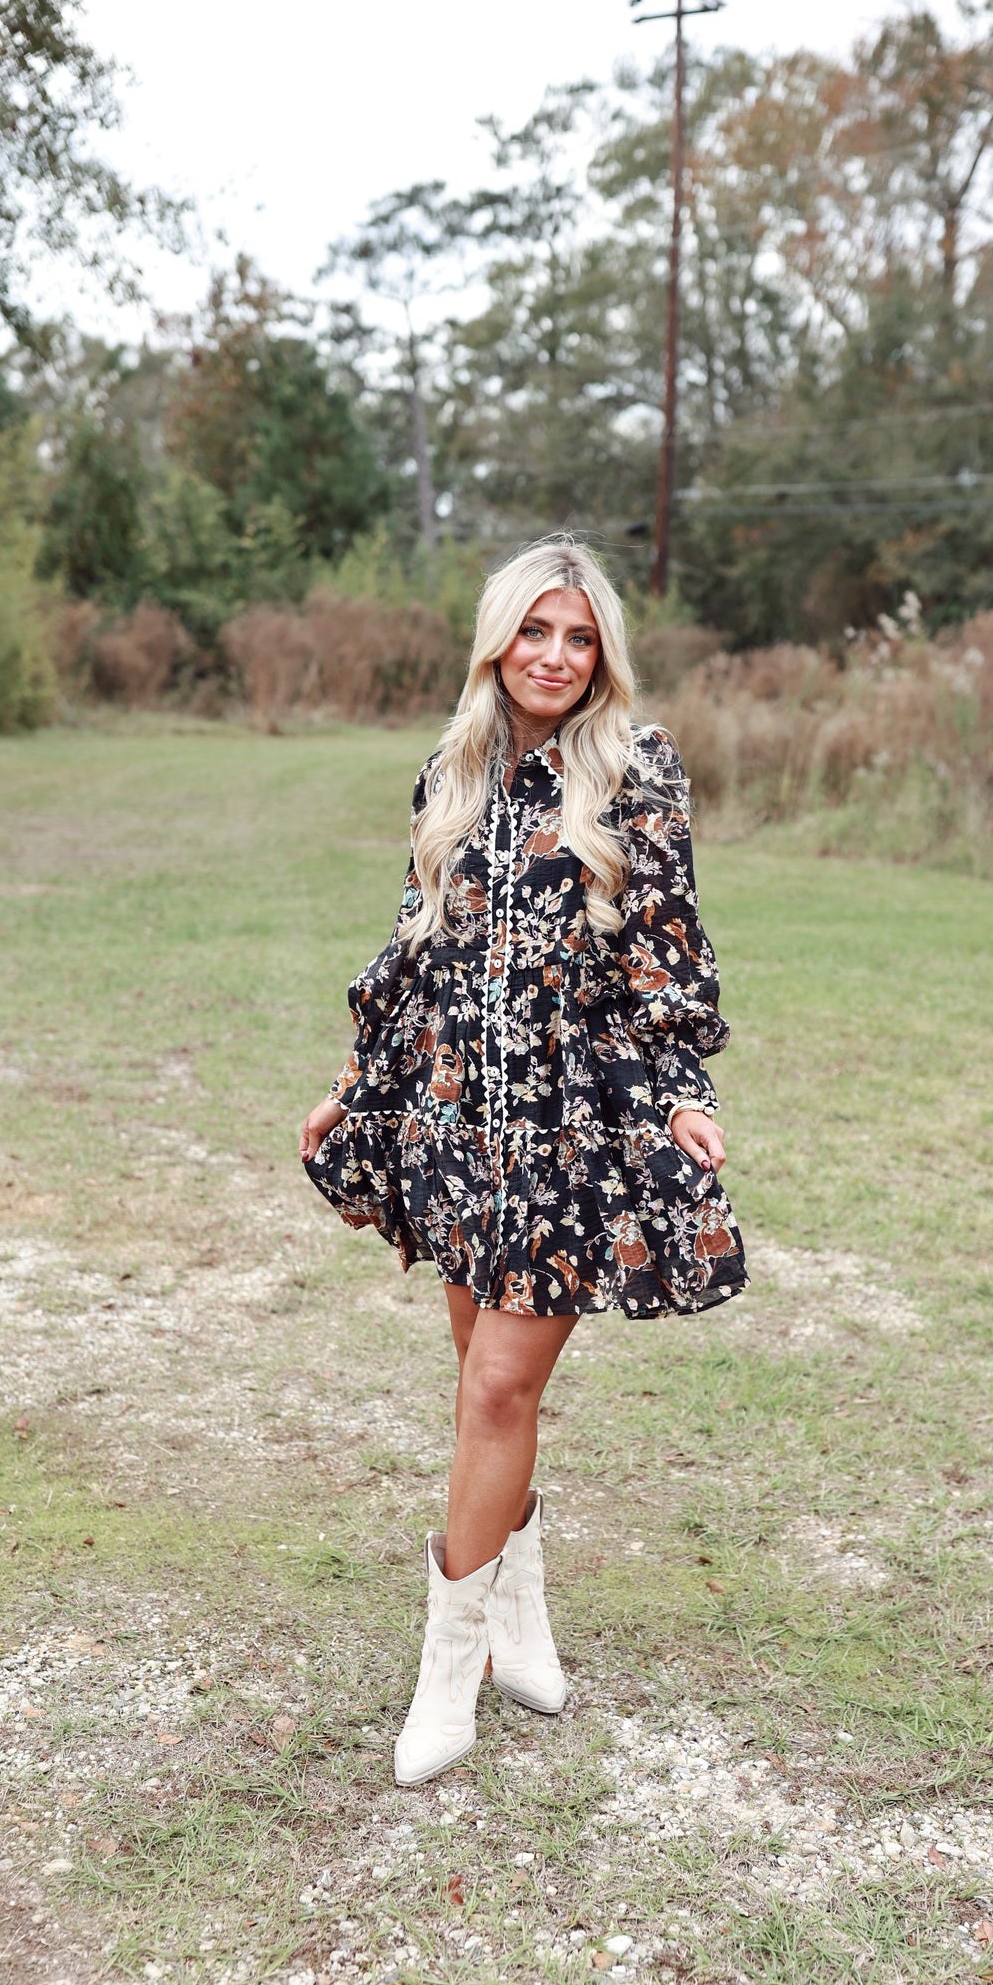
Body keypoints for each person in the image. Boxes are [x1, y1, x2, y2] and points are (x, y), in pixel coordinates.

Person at [299, 535, 747, 1786]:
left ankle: (446, 1673)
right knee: (484, 1392)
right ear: (498, 639)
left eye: (580, 636)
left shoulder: (635, 769)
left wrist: (678, 1095)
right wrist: (352, 1086)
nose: (555, 657)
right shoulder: (449, 771)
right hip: (452, 1123)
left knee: (497, 1389)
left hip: (569, 1134)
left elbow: (665, 948)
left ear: (601, 653)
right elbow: (413, 946)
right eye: (535, 631)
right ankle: (518, 1621)